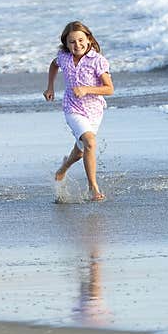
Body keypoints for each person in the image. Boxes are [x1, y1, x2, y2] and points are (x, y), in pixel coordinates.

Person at [44, 20, 114, 201]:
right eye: (72, 42)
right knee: (90, 142)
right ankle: (94, 188)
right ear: (66, 44)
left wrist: (86, 89)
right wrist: (50, 87)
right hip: (72, 108)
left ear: (89, 39)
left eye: (81, 40)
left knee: (83, 150)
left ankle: (62, 170)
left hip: (94, 111)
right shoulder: (64, 58)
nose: (77, 45)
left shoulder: (97, 61)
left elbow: (109, 89)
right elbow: (53, 64)